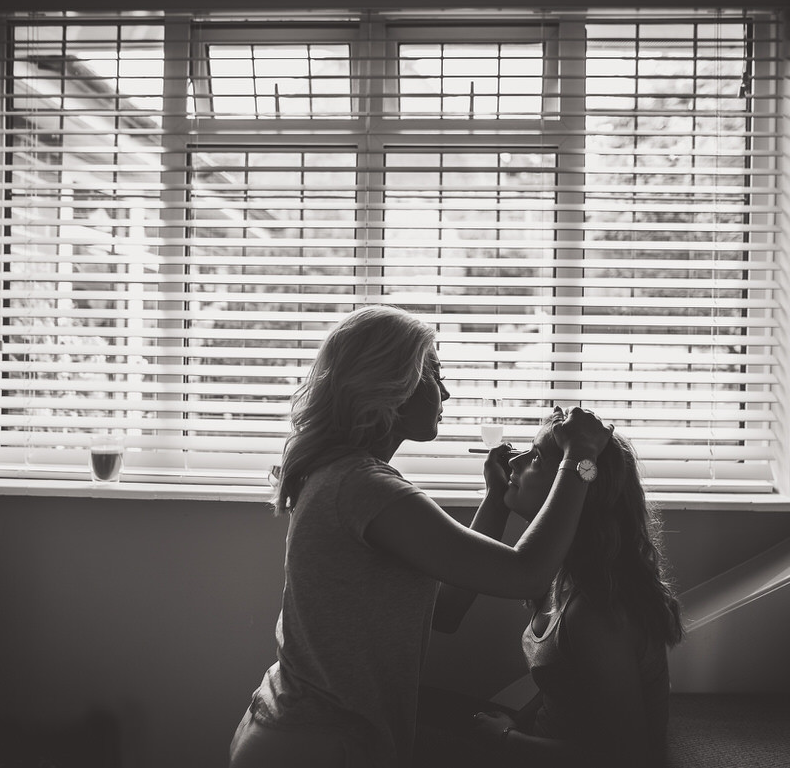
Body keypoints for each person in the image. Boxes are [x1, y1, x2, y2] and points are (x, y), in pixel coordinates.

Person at [228, 305, 614, 768]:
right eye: (434, 373)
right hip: (316, 744)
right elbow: (527, 575)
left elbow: (445, 611)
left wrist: (494, 501)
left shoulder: (347, 476)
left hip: (305, 732)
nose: (446, 391)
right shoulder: (363, 486)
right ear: (393, 385)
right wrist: (581, 459)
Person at [420, 417, 685, 768]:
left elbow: (628, 757)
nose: (513, 462)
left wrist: (507, 739)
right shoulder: (556, 573)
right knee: (412, 710)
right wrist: (521, 723)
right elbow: (561, 685)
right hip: (538, 739)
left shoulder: (594, 612)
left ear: (574, 487)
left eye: (535, 460)